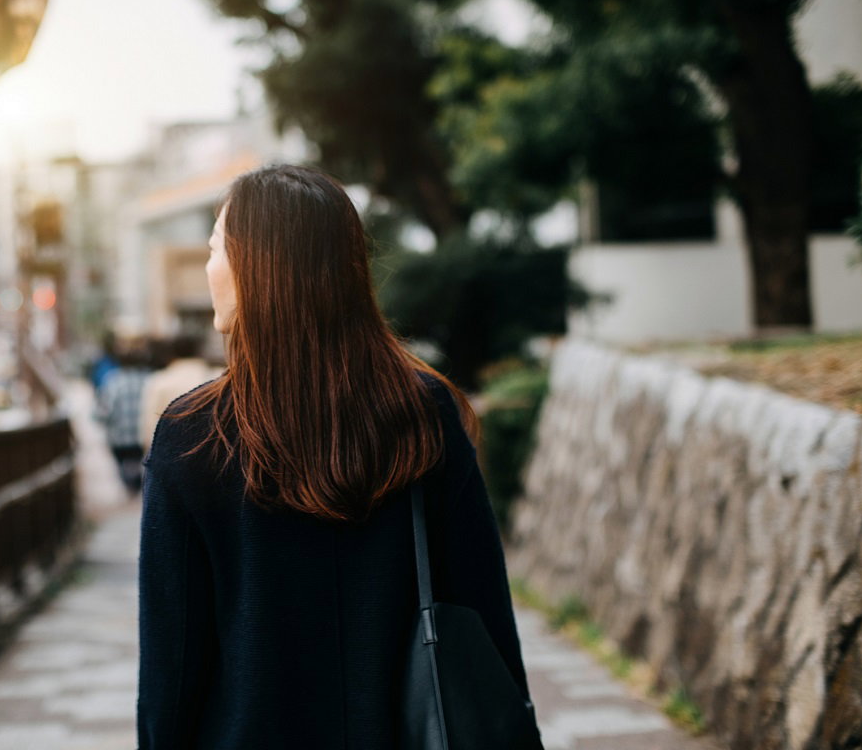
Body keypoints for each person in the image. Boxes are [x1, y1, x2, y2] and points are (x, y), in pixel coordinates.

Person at [137, 165, 540, 748]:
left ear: (258, 267)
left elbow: (171, 669)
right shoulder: (423, 412)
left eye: (215, 249)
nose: (208, 269)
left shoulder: (192, 434)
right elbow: (482, 612)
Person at [138, 333, 221, 455]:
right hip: (213, 452)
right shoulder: (217, 378)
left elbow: (149, 427)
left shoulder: (159, 381)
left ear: (171, 354)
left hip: (170, 454)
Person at [97, 339, 151, 495]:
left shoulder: (113, 381)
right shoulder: (149, 378)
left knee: (127, 476)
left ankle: (131, 490)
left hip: (120, 439)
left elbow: (104, 412)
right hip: (144, 438)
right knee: (143, 472)